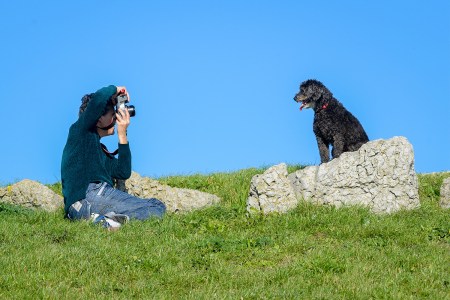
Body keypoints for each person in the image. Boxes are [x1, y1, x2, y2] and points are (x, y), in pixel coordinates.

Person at [61, 85, 166, 228]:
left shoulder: (98, 151)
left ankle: (103, 221)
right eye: (112, 114)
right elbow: (98, 100)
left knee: (157, 205)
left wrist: (122, 134)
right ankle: (105, 221)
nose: (116, 117)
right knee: (155, 209)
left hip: (85, 205)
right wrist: (117, 90)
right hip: (88, 196)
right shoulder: (80, 132)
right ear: (97, 119)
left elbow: (123, 171)